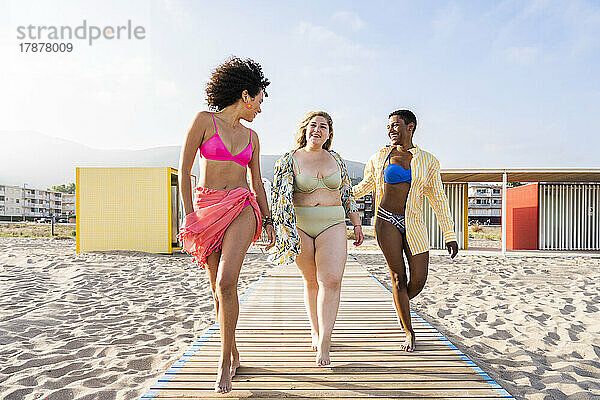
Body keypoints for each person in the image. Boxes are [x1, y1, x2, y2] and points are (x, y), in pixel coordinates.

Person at [177, 57, 276, 393]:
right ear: (246, 95)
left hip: (242, 206)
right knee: (218, 290)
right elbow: (184, 171)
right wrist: (189, 215)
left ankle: (222, 363)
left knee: (226, 281)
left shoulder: (252, 137)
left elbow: (257, 182)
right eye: (260, 101)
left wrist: (269, 219)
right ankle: (233, 352)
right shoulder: (204, 121)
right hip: (206, 210)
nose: (260, 109)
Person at [353, 109, 458, 352]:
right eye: (388, 126)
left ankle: (400, 303)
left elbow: (438, 199)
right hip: (386, 221)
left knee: (418, 280)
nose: (390, 130)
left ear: (410, 127)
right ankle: (408, 331)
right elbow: (364, 186)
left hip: (414, 223)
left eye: (396, 125)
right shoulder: (380, 157)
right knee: (398, 277)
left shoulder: (428, 161)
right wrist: (338, 194)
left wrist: (449, 234)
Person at [270, 111, 363, 366]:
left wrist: (356, 223)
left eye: (324, 127)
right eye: (313, 125)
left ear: (329, 134)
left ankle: (325, 342)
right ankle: (315, 329)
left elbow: (348, 194)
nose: (318, 130)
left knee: (331, 281)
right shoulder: (289, 159)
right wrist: (278, 231)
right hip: (301, 224)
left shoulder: (337, 159)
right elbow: (279, 200)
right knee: (311, 281)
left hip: (332, 222)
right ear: (305, 129)